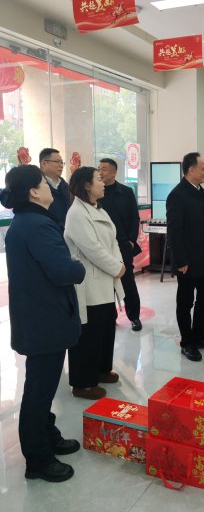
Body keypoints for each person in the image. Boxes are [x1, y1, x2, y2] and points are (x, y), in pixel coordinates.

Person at [1, 165, 85, 483]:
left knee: (43, 387)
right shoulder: (36, 225)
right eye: (44, 183)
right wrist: (78, 266)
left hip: (40, 318)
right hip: (44, 321)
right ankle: (38, 460)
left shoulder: (28, 221)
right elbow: (63, 271)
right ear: (34, 192)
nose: (51, 186)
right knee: (39, 391)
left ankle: (47, 436)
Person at [64, 167, 126, 399]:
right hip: (89, 282)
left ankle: (101, 370)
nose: (103, 183)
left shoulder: (98, 208)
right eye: (99, 179)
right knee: (89, 334)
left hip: (106, 279)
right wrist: (116, 267)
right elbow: (92, 249)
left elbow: (113, 241)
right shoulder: (77, 213)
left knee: (105, 328)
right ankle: (83, 383)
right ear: (87, 185)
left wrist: (119, 263)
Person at [166, 152, 204, 362]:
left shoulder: (200, 192)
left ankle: (199, 335)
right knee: (185, 302)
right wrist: (180, 261)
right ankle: (187, 342)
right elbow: (174, 231)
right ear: (191, 170)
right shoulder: (177, 195)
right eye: (203, 168)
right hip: (187, 262)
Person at [98, 158, 143, 331]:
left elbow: (134, 218)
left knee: (127, 281)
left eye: (104, 169)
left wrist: (131, 241)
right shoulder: (95, 192)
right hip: (102, 245)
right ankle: (110, 317)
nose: (100, 172)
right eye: (99, 169)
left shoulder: (126, 192)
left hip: (123, 244)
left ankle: (134, 317)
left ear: (114, 172)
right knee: (105, 282)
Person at [39, 147, 70, 230]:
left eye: (62, 162)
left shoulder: (65, 186)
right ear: (44, 163)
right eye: (57, 162)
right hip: (47, 230)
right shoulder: (36, 187)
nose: (61, 165)